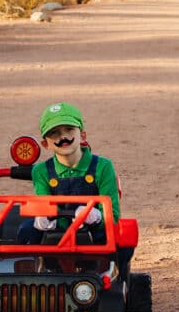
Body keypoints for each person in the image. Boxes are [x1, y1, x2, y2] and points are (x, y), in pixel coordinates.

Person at [10, 102, 131, 273]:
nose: (63, 137)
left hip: (93, 229)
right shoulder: (41, 171)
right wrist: (44, 217)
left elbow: (113, 215)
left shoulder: (102, 166)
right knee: (26, 230)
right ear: (46, 144)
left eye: (69, 130)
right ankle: (29, 276)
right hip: (56, 229)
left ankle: (119, 276)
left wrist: (96, 217)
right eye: (55, 133)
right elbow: (45, 204)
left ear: (82, 135)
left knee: (124, 237)